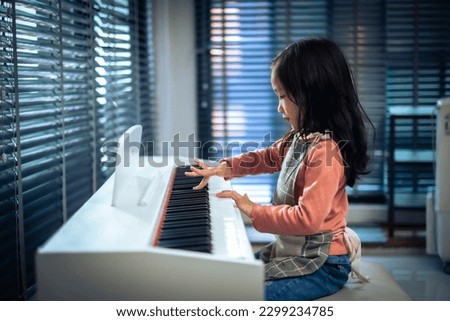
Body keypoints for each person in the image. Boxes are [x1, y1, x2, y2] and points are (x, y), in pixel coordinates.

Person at [185, 38, 373, 301]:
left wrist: (254, 210)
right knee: (231, 280)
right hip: (292, 252)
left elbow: (307, 219)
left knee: (251, 298)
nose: (279, 107)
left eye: (284, 96)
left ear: (314, 94)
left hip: (322, 265)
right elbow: (268, 157)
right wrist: (225, 168)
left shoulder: (326, 152)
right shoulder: (300, 138)